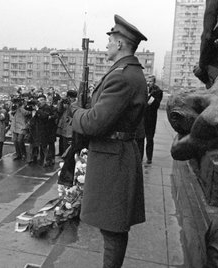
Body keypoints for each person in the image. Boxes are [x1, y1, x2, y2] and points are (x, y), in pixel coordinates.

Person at [70, 14, 147, 268]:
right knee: (112, 228)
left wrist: (75, 112)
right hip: (116, 154)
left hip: (115, 158)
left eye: (110, 40)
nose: (106, 45)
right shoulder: (126, 72)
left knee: (113, 229)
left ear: (121, 44)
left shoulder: (122, 76)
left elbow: (95, 122)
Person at [144, 75, 163, 164]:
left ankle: (149, 158)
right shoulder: (142, 89)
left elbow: (155, 104)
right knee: (139, 139)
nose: (148, 83)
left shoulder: (158, 91)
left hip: (151, 118)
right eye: (147, 81)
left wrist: (149, 96)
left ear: (154, 82)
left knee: (149, 138)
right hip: (142, 118)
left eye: (150, 81)